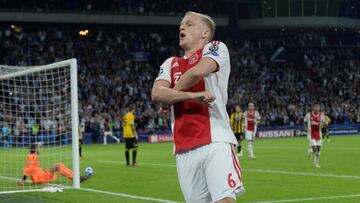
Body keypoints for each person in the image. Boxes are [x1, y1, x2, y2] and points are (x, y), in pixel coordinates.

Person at [151, 11, 244, 203]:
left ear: (205, 33)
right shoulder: (170, 63)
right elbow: (157, 94)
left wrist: (172, 96)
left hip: (215, 140)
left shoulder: (216, 47)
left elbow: (197, 72)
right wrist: (190, 95)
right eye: (181, 25)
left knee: (224, 200)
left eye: (189, 24)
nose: (182, 27)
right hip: (184, 150)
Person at [18, 143, 89, 185]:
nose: (40, 150)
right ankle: (77, 178)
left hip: (41, 175)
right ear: (36, 149)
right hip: (40, 178)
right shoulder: (31, 156)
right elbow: (27, 168)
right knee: (58, 165)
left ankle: (76, 178)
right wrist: (23, 180)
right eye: (39, 148)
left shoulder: (33, 156)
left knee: (58, 165)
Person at [304, 102, 325, 168]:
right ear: (313, 108)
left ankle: (315, 163)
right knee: (315, 148)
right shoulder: (308, 115)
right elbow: (305, 121)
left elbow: (324, 124)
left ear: (319, 108)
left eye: (318, 107)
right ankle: (310, 150)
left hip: (319, 134)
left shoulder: (322, 115)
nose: (316, 108)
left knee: (318, 151)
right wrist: (305, 127)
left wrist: (324, 127)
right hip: (311, 134)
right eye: (315, 107)